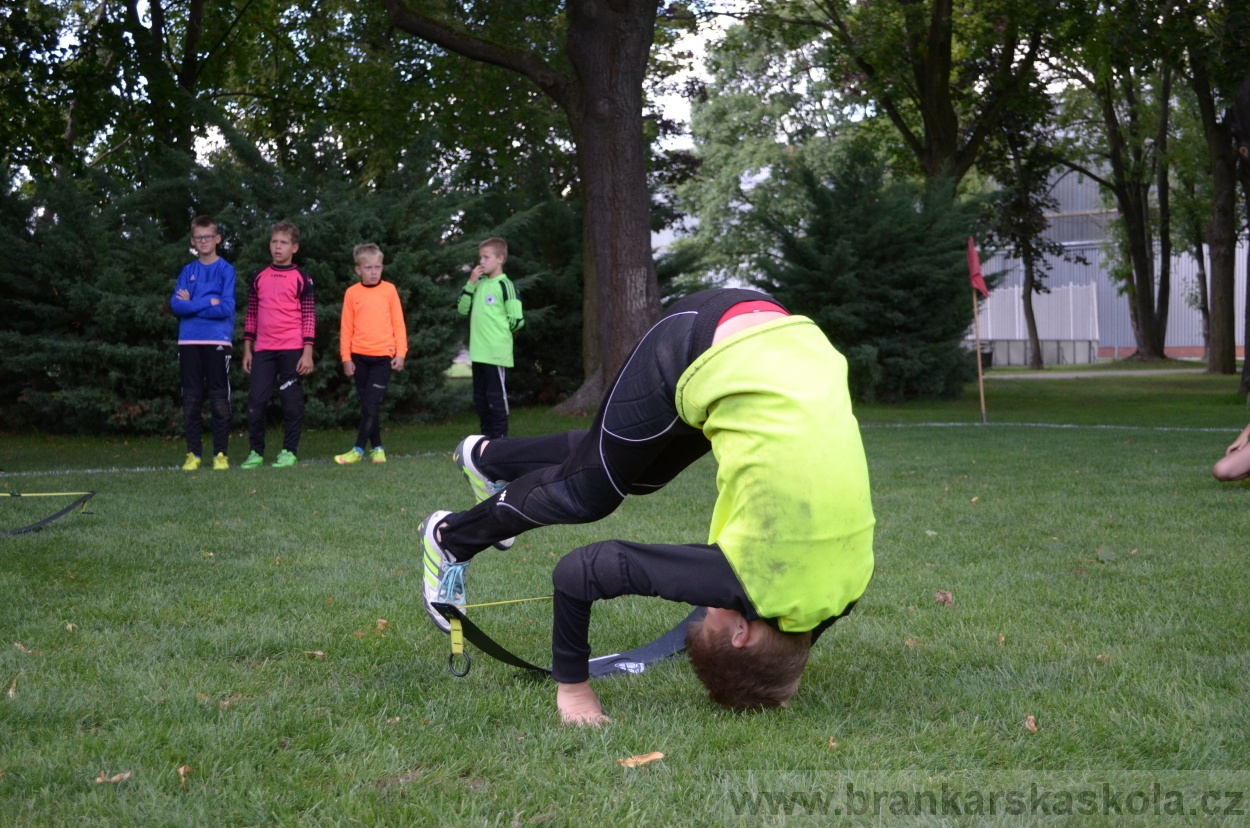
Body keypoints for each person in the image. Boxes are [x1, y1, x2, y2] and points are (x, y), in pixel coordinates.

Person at [419, 288, 875, 726]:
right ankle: (451, 537)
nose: (708, 601)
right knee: (588, 493)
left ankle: (487, 458)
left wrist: (779, 680)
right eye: (711, 610)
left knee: (638, 470)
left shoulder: (845, 589)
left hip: (783, 337)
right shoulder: (752, 580)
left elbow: (794, 642)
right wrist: (574, 688)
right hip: (701, 342)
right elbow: (579, 571)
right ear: (741, 633)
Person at [240, 221, 314, 469]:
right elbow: (251, 314)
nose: (277, 247)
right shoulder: (259, 276)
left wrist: (307, 353)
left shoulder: (302, 278)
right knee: (257, 401)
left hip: (292, 349)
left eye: (283, 242)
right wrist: (247, 348)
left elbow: (309, 316)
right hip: (263, 350)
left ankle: (289, 451)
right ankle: (255, 452)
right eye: (274, 242)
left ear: (295, 247)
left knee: (291, 402)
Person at [170, 215, 236, 471]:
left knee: (219, 398)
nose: (204, 241)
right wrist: (207, 302)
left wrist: (191, 305)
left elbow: (227, 308)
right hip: (188, 341)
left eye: (208, 236)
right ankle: (193, 454)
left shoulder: (226, 269)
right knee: (192, 399)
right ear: (193, 241)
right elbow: (176, 305)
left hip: (217, 341)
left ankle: (220, 454)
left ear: (217, 239)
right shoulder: (188, 271)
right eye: (199, 237)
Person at [335, 243, 407, 465]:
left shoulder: (389, 290)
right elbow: (346, 327)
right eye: (368, 267)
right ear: (358, 269)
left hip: (383, 358)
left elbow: (398, 323)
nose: (374, 272)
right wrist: (346, 357)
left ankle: (357, 450)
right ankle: (377, 449)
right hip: (359, 358)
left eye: (377, 267)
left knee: (371, 404)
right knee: (368, 406)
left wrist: (401, 352)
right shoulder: (351, 293)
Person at [458, 237, 523, 439]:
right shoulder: (478, 284)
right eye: (480, 257)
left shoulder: (506, 285)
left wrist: (499, 333)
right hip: (478, 352)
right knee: (480, 399)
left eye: (486, 257)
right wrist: (470, 283)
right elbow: (462, 309)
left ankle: (500, 440)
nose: (481, 262)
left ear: (500, 259)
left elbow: (517, 320)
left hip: (495, 352)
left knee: (496, 398)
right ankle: (486, 439)